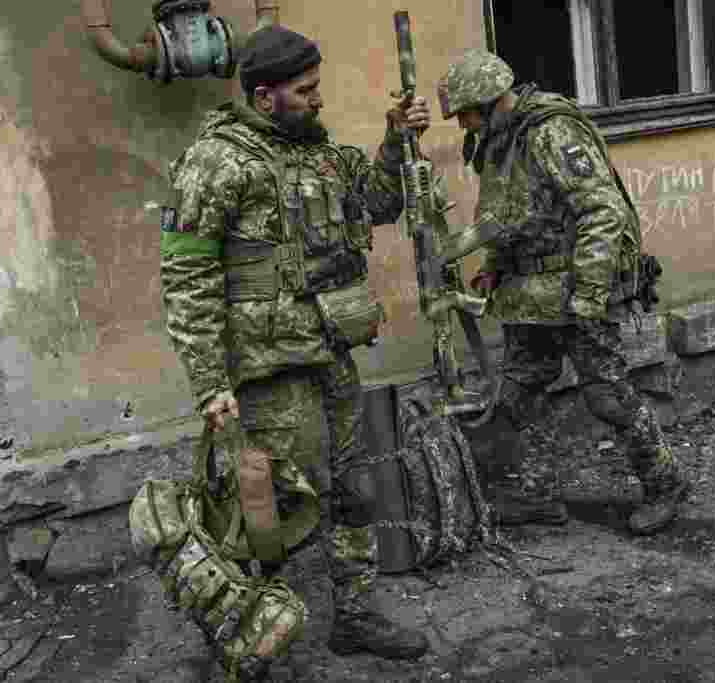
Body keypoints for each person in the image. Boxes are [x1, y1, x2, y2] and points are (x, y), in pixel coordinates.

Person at [160, 25, 430, 661]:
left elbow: (379, 201)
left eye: (317, 88)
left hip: (329, 352)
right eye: (306, 91)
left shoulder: (321, 153)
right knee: (271, 509)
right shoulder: (215, 162)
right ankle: (251, 636)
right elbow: (187, 277)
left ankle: (354, 616)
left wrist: (397, 139)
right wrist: (209, 383)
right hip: (267, 371)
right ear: (264, 97)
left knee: (352, 490)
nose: (319, 99)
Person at [436, 50, 691, 536]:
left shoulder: (551, 132)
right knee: (522, 395)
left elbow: (602, 212)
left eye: (466, 113)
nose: (463, 124)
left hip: (576, 290)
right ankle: (538, 495)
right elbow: (509, 217)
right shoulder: (500, 140)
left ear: (490, 101)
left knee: (608, 396)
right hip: (528, 295)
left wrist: (590, 294)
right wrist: (494, 268)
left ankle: (666, 482)